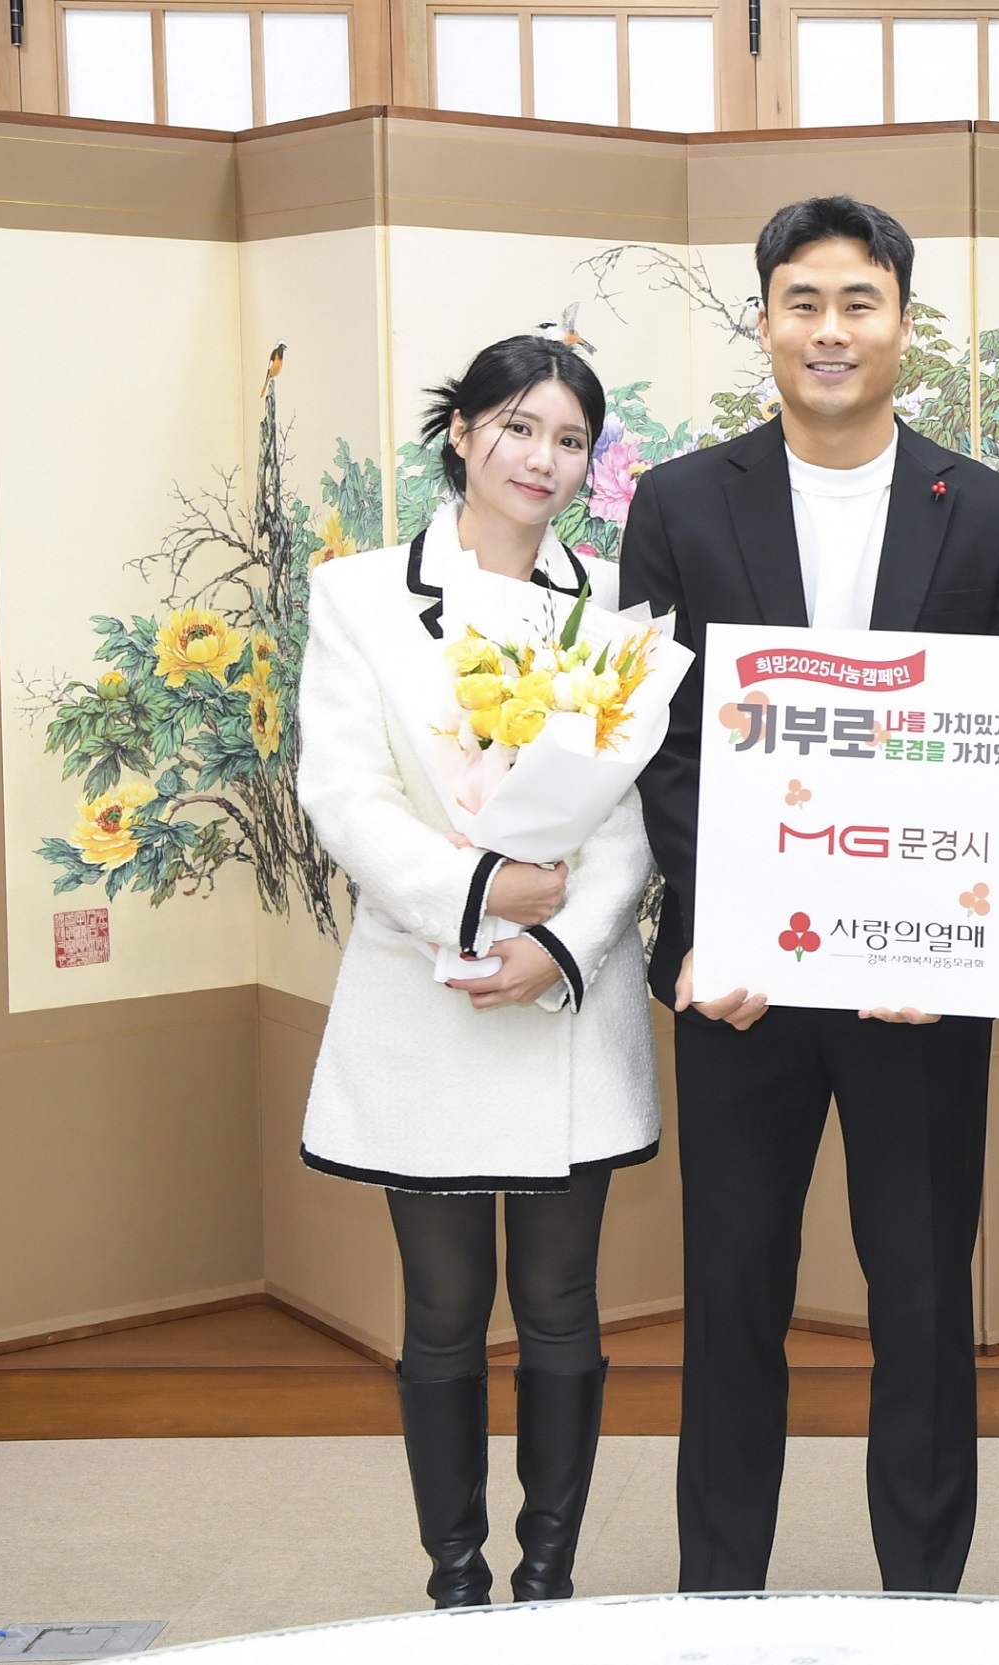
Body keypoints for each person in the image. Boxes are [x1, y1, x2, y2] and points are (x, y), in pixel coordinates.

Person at [625, 196, 999, 1594]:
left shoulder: (989, 514)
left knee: (923, 1302)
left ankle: (922, 1601)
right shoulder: (681, 503)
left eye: (858, 302)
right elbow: (659, 743)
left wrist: (960, 946)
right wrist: (724, 922)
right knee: (731, 1293)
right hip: (738, 984)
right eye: (801, 302)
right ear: (764, 322)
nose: (829, 329)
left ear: (902, 326)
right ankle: (718, 1598)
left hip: (917, 987)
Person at [298, 335, 665, 1608]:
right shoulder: (357, 596)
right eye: (516, 428)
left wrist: (554, 943)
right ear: (460, 433)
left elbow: (634, 814)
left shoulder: (614, 603)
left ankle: (547, 1578)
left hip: (565, 993)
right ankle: (455, 1582)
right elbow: (344, 791)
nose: (541, 459)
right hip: (427, 992)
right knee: (442, 1310)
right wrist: (475, 900)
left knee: (562, 1302)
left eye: (569, 440)